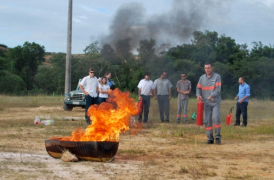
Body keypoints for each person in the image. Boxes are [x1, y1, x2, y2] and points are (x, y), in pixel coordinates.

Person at [196, 62, 222, 144]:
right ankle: (210, 138)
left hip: (215, 102)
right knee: (207, 120)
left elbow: (218, 89)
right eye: (206, 68)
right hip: (206, 103)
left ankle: (218, 137)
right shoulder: (202, 78)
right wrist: (198, 95)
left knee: (215, 118)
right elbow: (198, 89)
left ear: (212, 68)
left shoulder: (217, 77)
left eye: (209, 68)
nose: (207, 69)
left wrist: (212, 95)